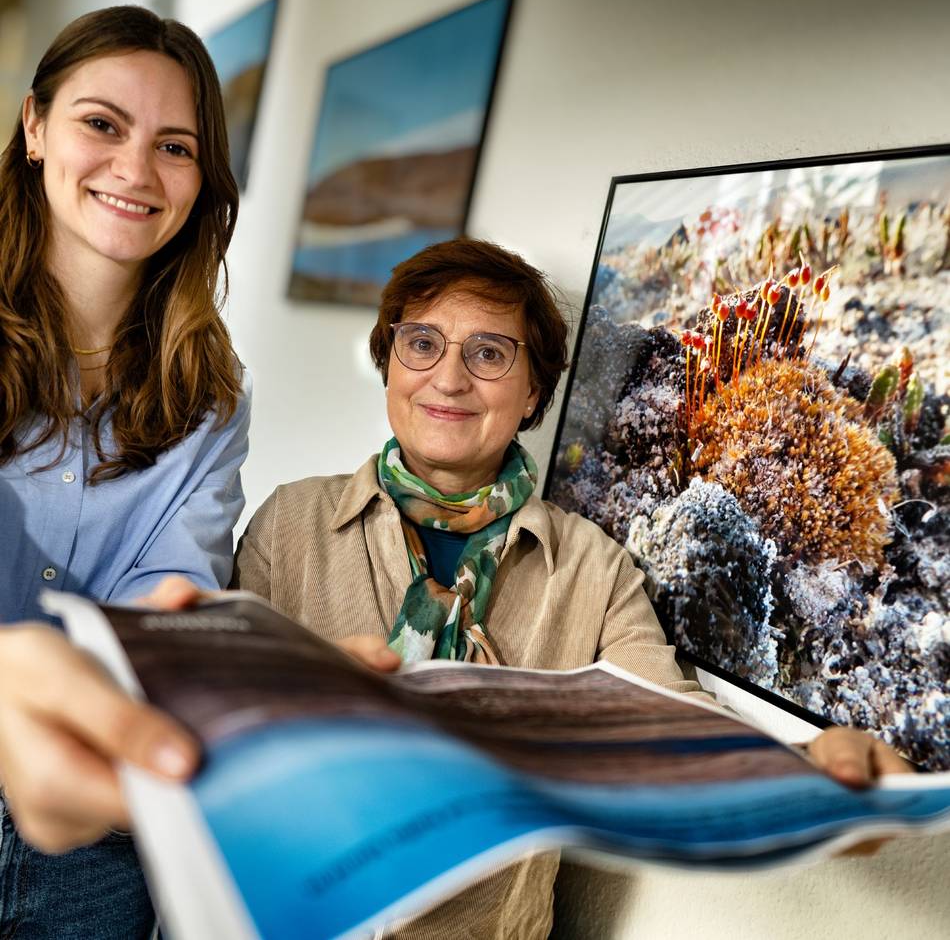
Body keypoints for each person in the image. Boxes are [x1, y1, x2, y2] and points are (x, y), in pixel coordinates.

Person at [0, 240, 909, 939]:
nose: (447, 375)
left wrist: (815, 783)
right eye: (422, 343)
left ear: (533, 394)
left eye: (488, 354)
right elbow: (207, 726)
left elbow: (676, 745)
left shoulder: (593, 569)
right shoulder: (288, 523)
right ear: (389, 363)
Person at [0, 5, 250, 939]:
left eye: (175, 145)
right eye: (102, 123)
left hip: (99, 831)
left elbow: (168, 600)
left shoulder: (216, 397)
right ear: (34, 127)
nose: (136, 170)